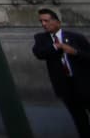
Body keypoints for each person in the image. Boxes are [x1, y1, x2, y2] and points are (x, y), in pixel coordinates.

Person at [34, 7, 90, 136]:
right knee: (79, 118)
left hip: (84, 83)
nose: (43, 24)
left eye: (46, 21)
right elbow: (39, 53)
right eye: (41, 21)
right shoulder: (41, 39)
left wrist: (75, 52)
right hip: (65, 85)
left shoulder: (76, 37)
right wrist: (56, 46)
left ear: (57, 22)